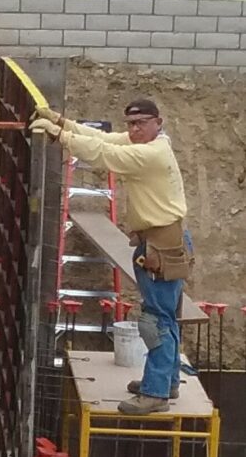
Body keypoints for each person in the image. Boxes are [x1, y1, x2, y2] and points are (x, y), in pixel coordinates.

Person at [30, 99, 193, 415]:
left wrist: (57, 136)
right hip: (162, 242)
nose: (134, 130)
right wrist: (63, 123)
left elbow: (105, 155)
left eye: (141, 123)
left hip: (161, 246)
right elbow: (104, 140)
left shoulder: (150, 154)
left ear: (158, 122)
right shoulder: (149, 143)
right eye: (131, 124)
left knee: (155, 321)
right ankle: (166, 381)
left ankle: (156, 392)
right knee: (165, 317)